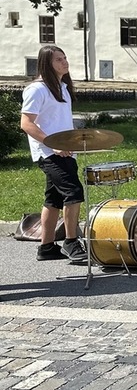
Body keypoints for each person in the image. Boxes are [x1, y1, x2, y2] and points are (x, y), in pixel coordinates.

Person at [19, 46, 88, 263]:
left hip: (65, 151)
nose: (64, 62)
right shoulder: (37, 89)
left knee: (54, 199)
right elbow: (26, 123)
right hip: (49, 153)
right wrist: (54, 145)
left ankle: (47, 247)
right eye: (59, 59)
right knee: (74, 192)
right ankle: (71, 241)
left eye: (65, 58)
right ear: (47, 64)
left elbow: (56, 120)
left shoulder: (63, 87)